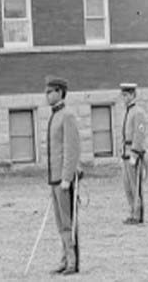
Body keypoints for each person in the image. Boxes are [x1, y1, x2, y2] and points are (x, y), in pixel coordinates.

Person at [43, 77, 83, 275]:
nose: (47, 95)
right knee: (60, 223)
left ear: (60, 92)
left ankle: (72, 262)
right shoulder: (54, 116)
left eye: (50, 91)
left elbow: (71, 149)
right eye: (46, 91)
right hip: (54, 178)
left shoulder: (67, 116)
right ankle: (64, 258)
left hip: (64, 180)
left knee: (68, 222)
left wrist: (67, 177)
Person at [120, 83, 148, 224]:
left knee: (135, 185)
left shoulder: (138, 112)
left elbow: (139, 133)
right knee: (127, 186)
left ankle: (138, 214)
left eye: (126, 95)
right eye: (123, 95)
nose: (123, 98)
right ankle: (132, 211)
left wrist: (135, 153)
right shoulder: (127, 111)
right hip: (125, 152)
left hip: (133, 153)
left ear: (132, 95)